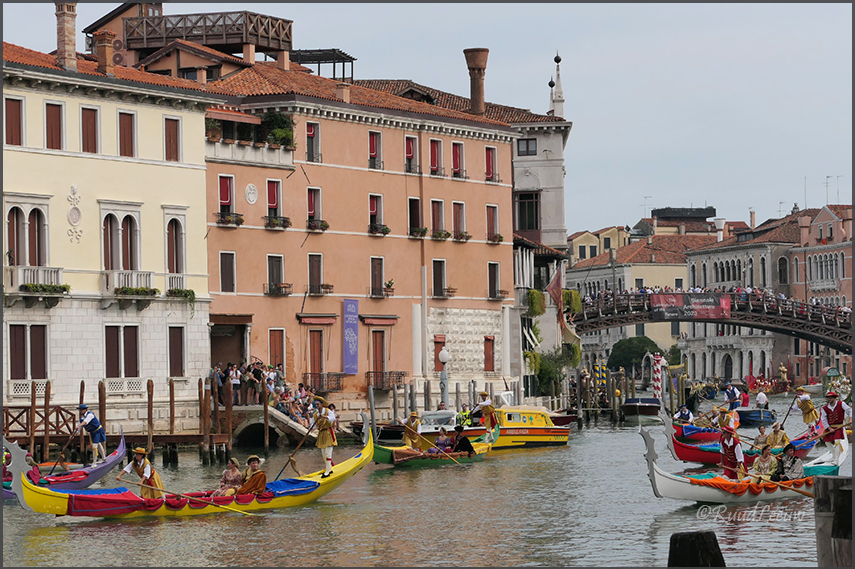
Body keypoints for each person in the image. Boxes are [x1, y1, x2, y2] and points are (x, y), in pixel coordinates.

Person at [314, 402, 338, 478]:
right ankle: (330, 468)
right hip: (321, 434)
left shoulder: (328, 411)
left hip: (328, 433)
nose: (317, 406)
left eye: (318, 404)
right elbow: (314, 425)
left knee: (328, 453)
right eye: (316, 404)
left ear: (321, 404)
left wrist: (324, 417)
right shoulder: (316, 414)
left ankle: (327, 471)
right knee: (323, 454)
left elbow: (332, 418)